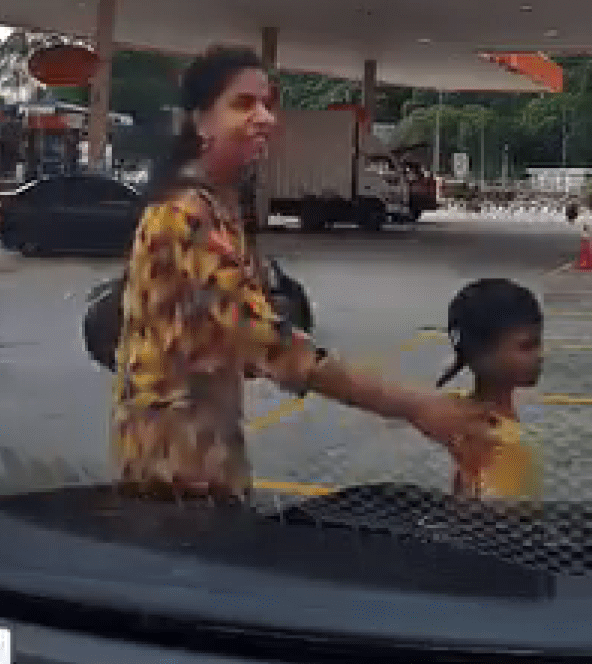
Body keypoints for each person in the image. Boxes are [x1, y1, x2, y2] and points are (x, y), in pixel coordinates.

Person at [112, 45, 496, 503]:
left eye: (268, 104)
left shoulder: (217, 207)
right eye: (243, 104)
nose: (265, 118)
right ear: (199, 122)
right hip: (174, 471)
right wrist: (414, 406)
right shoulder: (183, 216)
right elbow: (269, 344)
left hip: (204, 448)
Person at [435, 278, 545, 500]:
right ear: (482, 355)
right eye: (526, 346)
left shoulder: (459, 411)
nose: (541, 354)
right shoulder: (504, 441)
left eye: (539, 342)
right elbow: (501, 520)